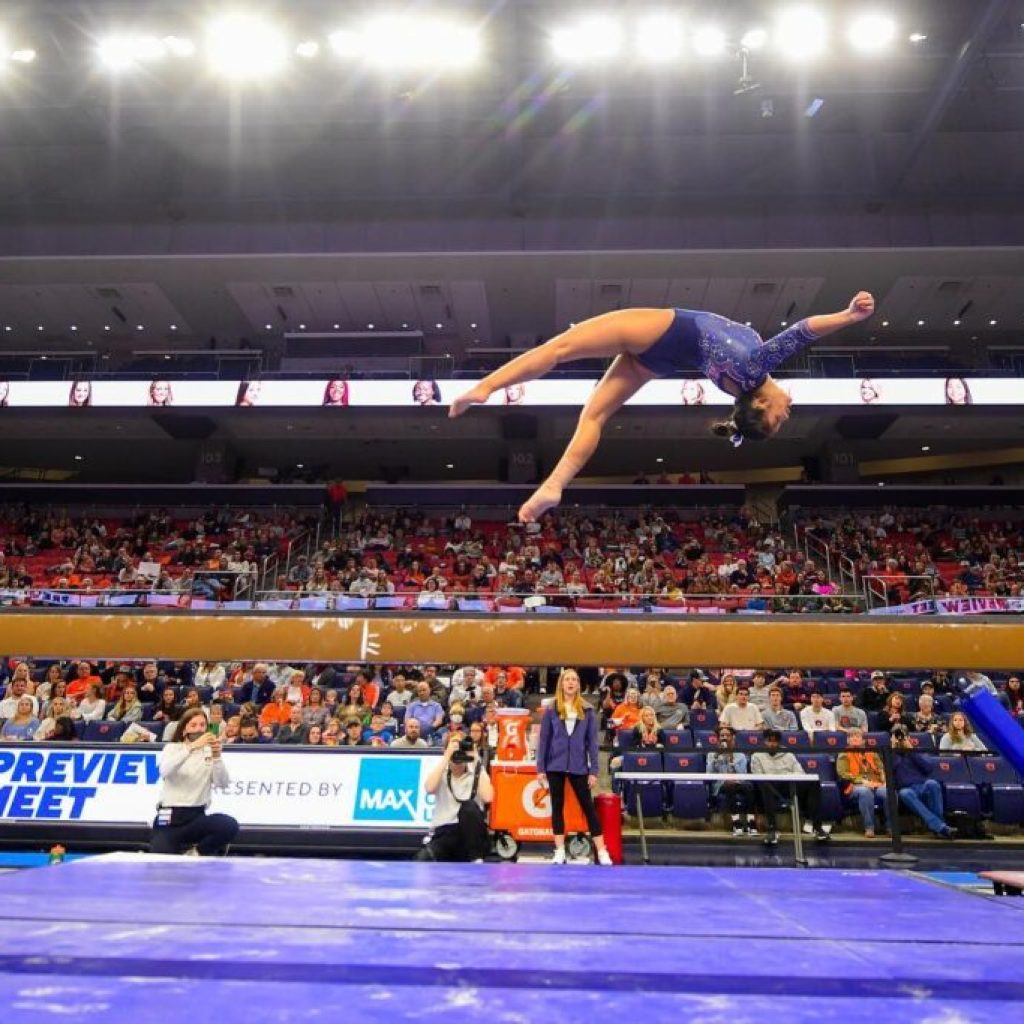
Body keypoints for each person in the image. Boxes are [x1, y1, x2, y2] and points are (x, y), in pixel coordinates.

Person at [449, 292, 875, 521]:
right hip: (667, 361)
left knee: (560, 348)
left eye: (781, 417)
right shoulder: (742, 392)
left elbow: (801, 331)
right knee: (594, 415)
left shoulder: (755, 366)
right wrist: (744, 430)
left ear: (762, 402)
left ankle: (486, 387)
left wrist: (847, 316)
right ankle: (555, 484)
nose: (789, 409)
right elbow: (743, 425)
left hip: (665, 331)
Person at [536, 668, 613, 865]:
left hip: (579, 766)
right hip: (555, 766)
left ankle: (602, 851)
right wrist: (541, 769)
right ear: (561, 683)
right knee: (557, 807)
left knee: (588, 808)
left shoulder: (587, 710)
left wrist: (594, 770)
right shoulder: (552, 709)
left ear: (579, 685)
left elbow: (592, 743)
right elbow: (544, 740)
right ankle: (560, 850)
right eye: (567, 679)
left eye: (574, 680)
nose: (570, 683)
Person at [150, 708, 239, 856]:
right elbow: (164, 770)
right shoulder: (172, 748)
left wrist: (217, 758)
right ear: (184, 729)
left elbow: (222, 783)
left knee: (228, 825)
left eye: (202, 725)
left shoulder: (208, 752)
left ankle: (197, 853)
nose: (199, 729)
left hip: (196, 816)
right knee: (161, 862)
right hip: (170, 817)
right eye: (194, 725)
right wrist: (191, 747)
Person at [418, 732, 494, 862]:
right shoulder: (441, 771)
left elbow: (488, 797)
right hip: (445, 832)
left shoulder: (476, 771)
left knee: (468, 806)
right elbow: (429, 788)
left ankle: (477, 860)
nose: (458, 752)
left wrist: (476, 759)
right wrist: (447, 756)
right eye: (454, 746)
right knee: (422, 859)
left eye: (461, 747)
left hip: (471, 834)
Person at [750, 729, 830, 846]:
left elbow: (800, 773)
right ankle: (772, 829)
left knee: (813, 782)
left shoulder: (788, 755)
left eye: (775, 741)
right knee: (764, 784)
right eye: (769, 741)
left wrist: (788, 777)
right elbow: (757, 775)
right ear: (764, 741)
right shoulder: (756, 755)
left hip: (788, 784)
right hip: (768, 786)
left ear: (779, 742)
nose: (772, 744)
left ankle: (817, 827)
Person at [891, 727, 956, 839]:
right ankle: (941, 827)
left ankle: (939, 827)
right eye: (896, 736)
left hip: (922, 785)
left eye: (903, 736)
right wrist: (893, 749)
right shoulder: (890, 754)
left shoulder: (917, 751)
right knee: (905, 793)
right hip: (906, 788)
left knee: (933, 783)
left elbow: (928, 768)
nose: (900, 739)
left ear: (909, 738)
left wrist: (910, 750)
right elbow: (890, 770)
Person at [836, 728, 887, 837]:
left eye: (857, 736)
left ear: (863, 740)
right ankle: (869, 828)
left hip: (875, 783)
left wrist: (885, 780)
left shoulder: (872, 753)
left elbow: (881, 769)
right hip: (855, 786)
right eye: (851, 737)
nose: (854, 738)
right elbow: (843, 774)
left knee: (888, 792)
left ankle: (891, 827)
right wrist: (862, 781)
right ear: (848, 741)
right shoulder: (843, 754)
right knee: (865, 792)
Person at [707, 726, 756, 836]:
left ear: (733, 738)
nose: (725, 738)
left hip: (739, 782)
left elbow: (743, 775)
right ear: (718, 738)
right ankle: (736, 823)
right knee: (729, 785)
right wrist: (715, 758)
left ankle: (751, 822)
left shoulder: (740, 755)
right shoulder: (711, 754)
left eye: (727, 735)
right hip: (722, 784)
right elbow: (709, 774)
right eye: (722, 736)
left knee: (749, 787)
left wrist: (732, 760)